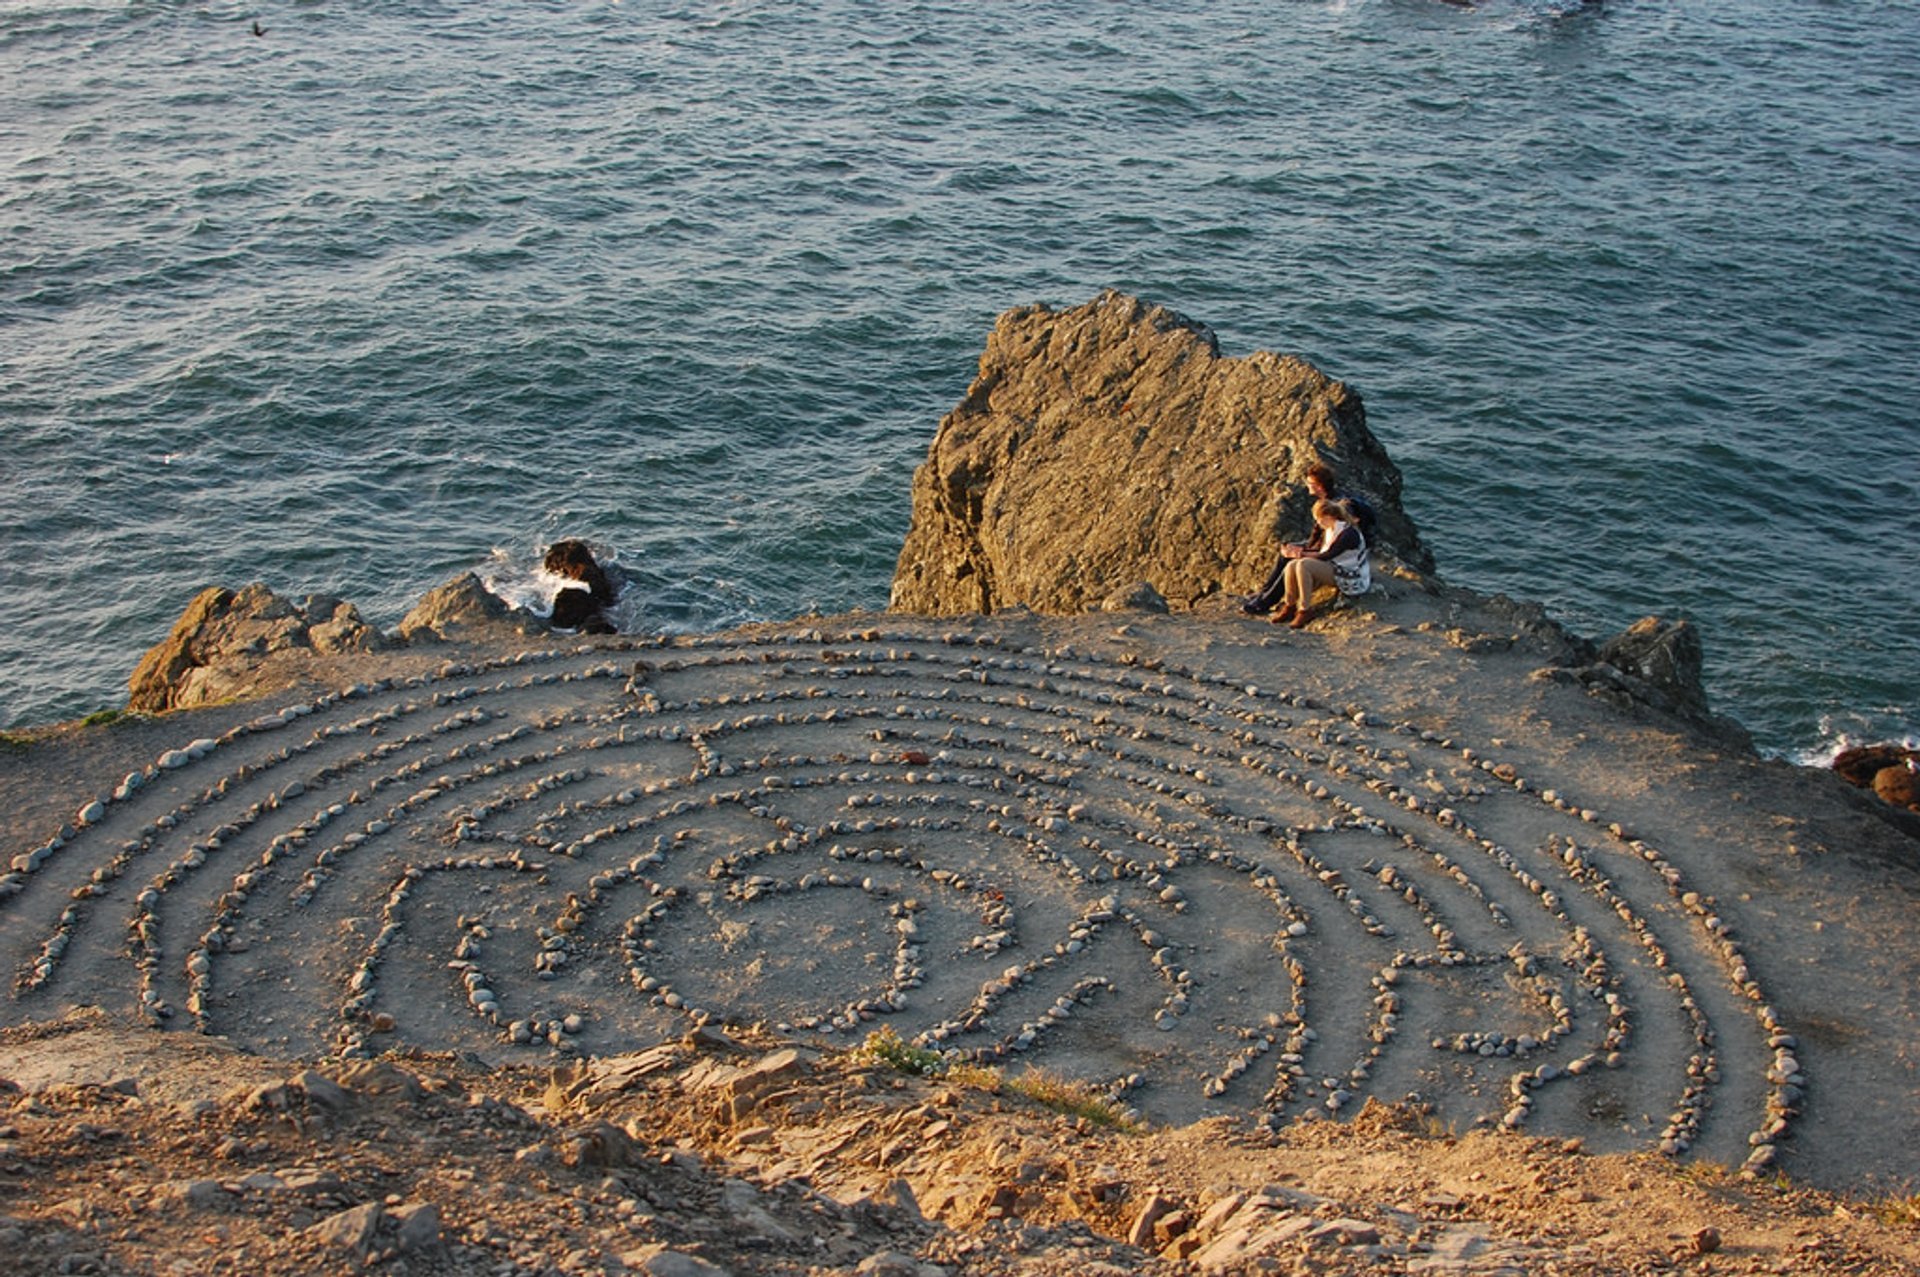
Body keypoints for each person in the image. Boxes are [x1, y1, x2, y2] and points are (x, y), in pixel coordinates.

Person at [1241, 463, 1376, 615]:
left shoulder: (1334, 508)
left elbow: (1328, 547)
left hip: (1335, 551)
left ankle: (1267, 601)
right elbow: (1316, 536)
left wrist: (1302, 552)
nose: (1307, 486)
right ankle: (1265, 593)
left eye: (1310, 483)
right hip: (1326, 545)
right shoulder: (1326, 500)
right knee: (1287, 552)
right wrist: (1300, 548)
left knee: (1293, 561)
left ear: (1319, 486)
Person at [1263, 498, 1370, 629]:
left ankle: (1304, 609)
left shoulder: (1348, 533)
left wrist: (1300, 554)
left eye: (1319, 519)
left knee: (1303, 564)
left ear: (1328, 516)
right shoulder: (1331, 529)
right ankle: (1289, 605)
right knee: (1292, 565)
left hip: (1349, 574)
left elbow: (1328, 555)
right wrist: (1296, 551)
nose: (1318, 523)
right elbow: (1319, 549)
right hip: (1334, 566)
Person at [545, 538, 618, 634]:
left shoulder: (571, 584)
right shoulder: (597, 575)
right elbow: (609, 599)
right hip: (592, 608)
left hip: (573, 616)